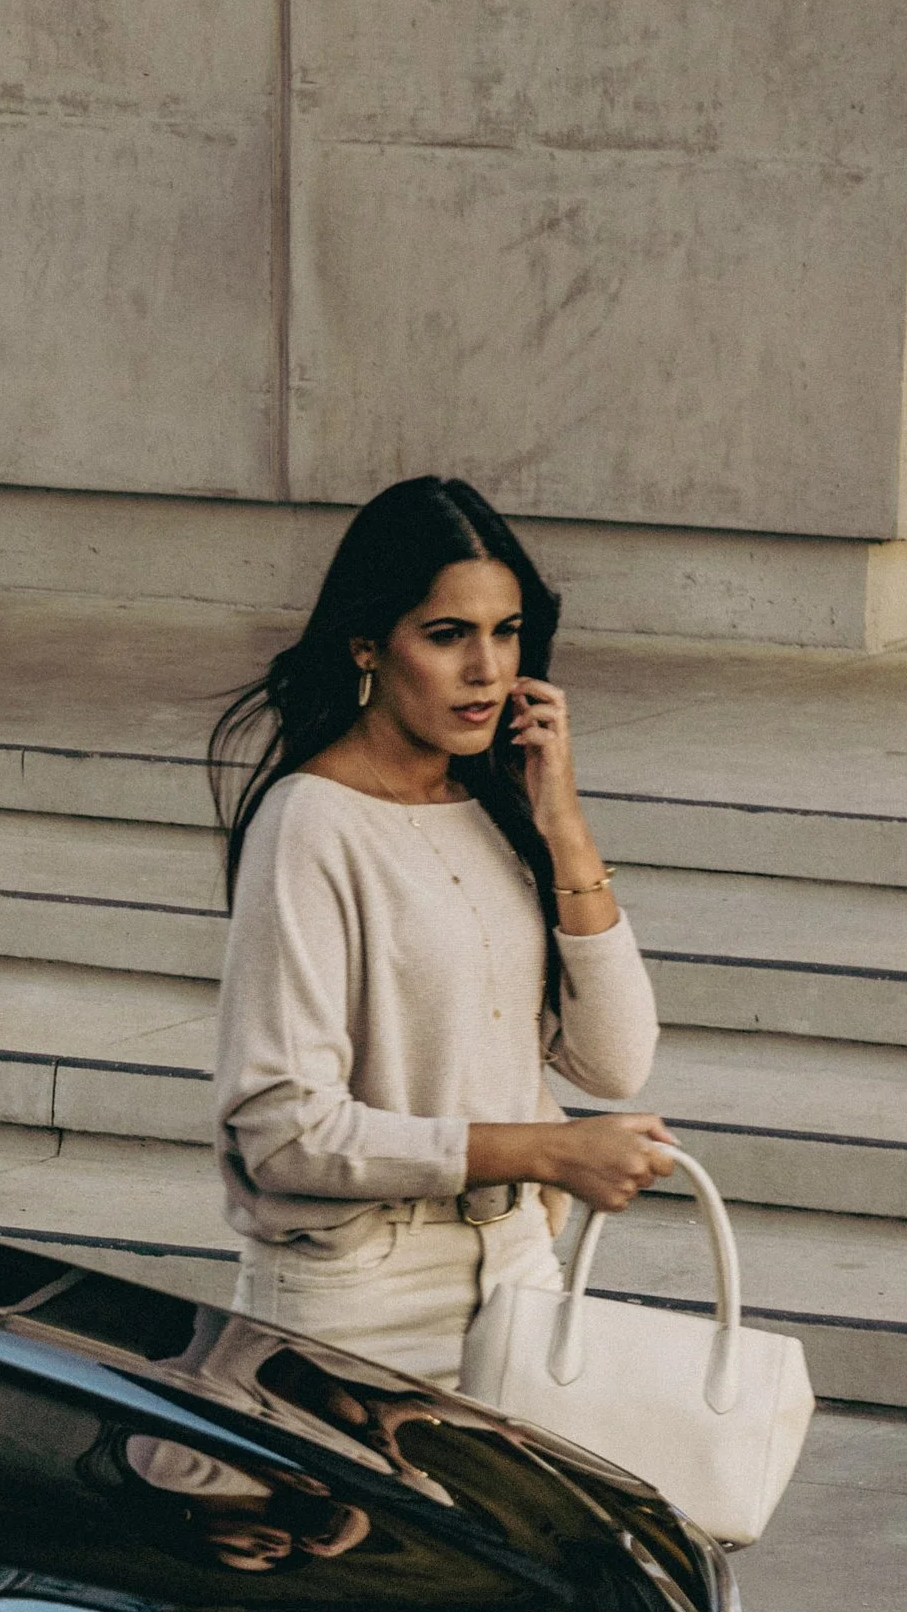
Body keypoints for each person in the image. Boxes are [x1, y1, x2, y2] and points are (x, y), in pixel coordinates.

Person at [207, 475, 673, 1387]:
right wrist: (547, 1149)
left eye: (507, 633)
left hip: (517, 1276)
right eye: (448, 634)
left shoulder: (494, 810)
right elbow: (284, 1129)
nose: (488, 670)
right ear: (368, 647)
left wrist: (564, 824)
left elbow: (616, 1061)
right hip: (360, 1303)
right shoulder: (311, 825)